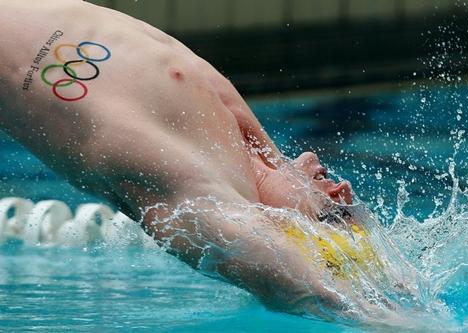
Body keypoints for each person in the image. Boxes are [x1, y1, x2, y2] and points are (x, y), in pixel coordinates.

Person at [0, 0, 362, 320]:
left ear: (286, 232)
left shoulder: (191, 189)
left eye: (334, 211)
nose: (341, 188)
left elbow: (310, 292)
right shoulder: (245, 144)